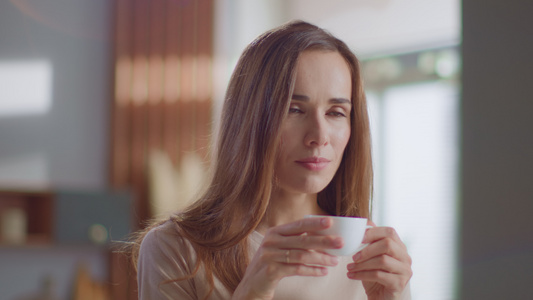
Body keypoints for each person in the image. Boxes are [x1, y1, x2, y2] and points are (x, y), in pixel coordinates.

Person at [132, 20, 412, 300]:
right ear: (249, 119)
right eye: (294, 109)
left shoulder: (373, 259)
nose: (319, 136)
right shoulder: (175, 249)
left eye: (336, 112)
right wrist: (253, 291)